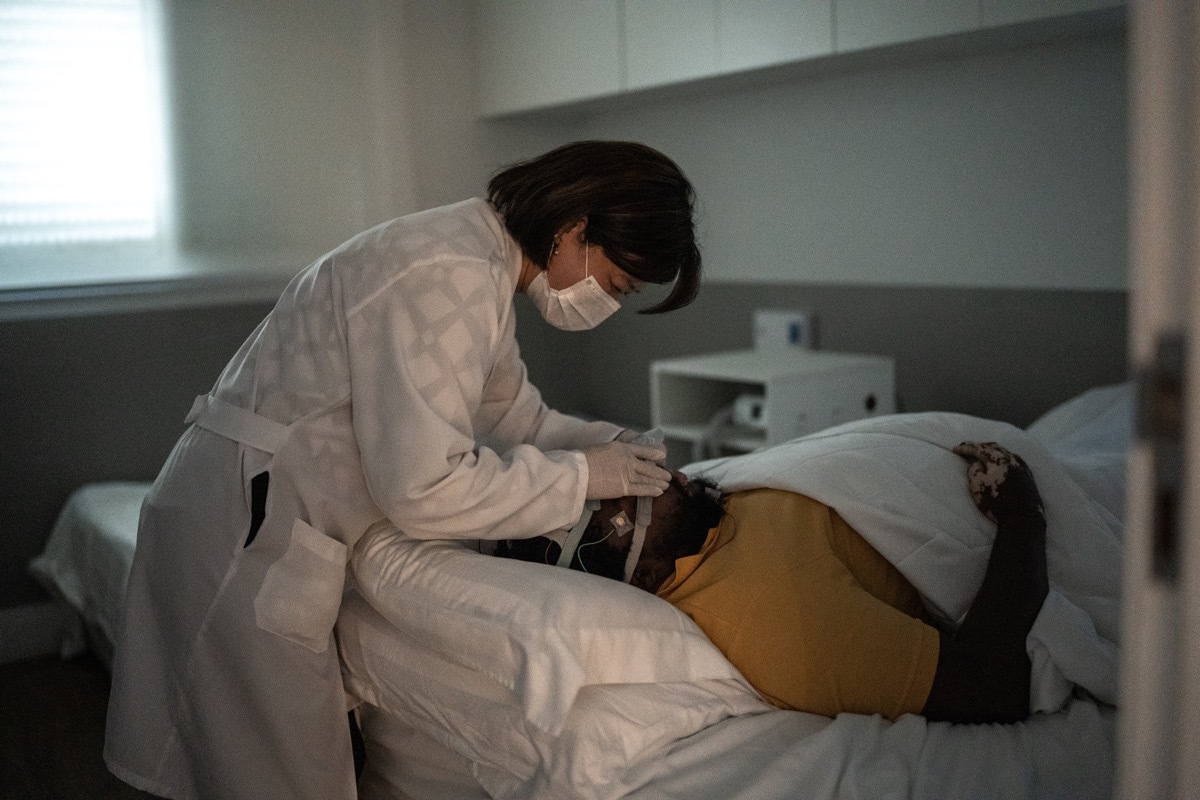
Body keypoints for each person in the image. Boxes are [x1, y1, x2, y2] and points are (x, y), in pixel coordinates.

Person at [104, 141, 699, 800]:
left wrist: (613, 445)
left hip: (257, 503)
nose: (607, 303)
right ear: (574, 230)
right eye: (616, 284)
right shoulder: (451, 271)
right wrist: (585, 478)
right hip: (246, 522)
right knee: (276, 776)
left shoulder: (481, 261)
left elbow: (513, 418)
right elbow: (423, 491)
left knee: (256, 762)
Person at [495, 441, 1049, 725]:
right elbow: (991, 687)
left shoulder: (698, 516)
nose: (673, 475)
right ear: (637, 572)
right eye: (637, 492)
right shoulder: (777, 625)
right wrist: (1023, 518)